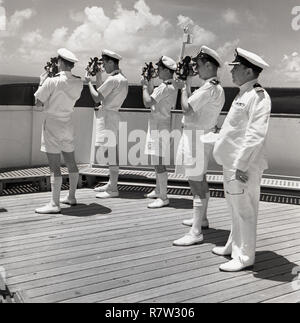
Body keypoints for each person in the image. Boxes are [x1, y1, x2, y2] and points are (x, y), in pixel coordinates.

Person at [213, 48, 271, 272]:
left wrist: (241, 165)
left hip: (242, 166)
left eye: (236, 68)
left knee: (245, 211)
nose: (232, 72)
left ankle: (245, 256)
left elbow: (255, 135)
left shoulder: (259, 97)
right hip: (232, 163)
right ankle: (233, 245)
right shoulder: (243, 93)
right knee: (234, 208)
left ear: (249, 71)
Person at [173, 46, 225, 246]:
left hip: (195, 138)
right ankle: (201, 220)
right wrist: (186, 84)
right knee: (200, 180)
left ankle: (195, 232)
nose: (197, 69)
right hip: (202, 136)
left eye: (199, 65)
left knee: (196, 184)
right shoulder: (216, 87)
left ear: (209, 65)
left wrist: (182, 88)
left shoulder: (208, 88)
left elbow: (186, 108)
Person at [34, 48, 84, 214]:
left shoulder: (52, 81)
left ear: (61, 62)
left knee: (54, 167)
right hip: (68, 124)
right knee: (71, 162)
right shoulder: (78, 82)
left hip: (53, 125)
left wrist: (42, 82)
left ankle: (55, 204)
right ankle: (71, 197)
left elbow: (38, 103)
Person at [85, 50, 128, 199]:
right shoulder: (121, 78)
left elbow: (97, 97)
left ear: (111, 62)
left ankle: (113, 188)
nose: (103, 66)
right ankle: (111, 183)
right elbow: (103, 91)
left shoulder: (113, 80)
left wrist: (89, 83)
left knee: (109, 152)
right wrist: (98, 77)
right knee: (110, 151)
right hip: (112, 115)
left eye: (104, 63)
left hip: (108, 117)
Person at [141, 56, 178, 208]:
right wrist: (149, 82)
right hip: (159, 125)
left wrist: (143, 87)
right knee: (156, 161)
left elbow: (147, 102)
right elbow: (153, 97)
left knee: (159, 162)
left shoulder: (165, 87)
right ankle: (158, 190)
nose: (157, 71)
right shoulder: (170, 85)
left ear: (165, 70)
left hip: (159, 127)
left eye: (159, 69)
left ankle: (163, 197)